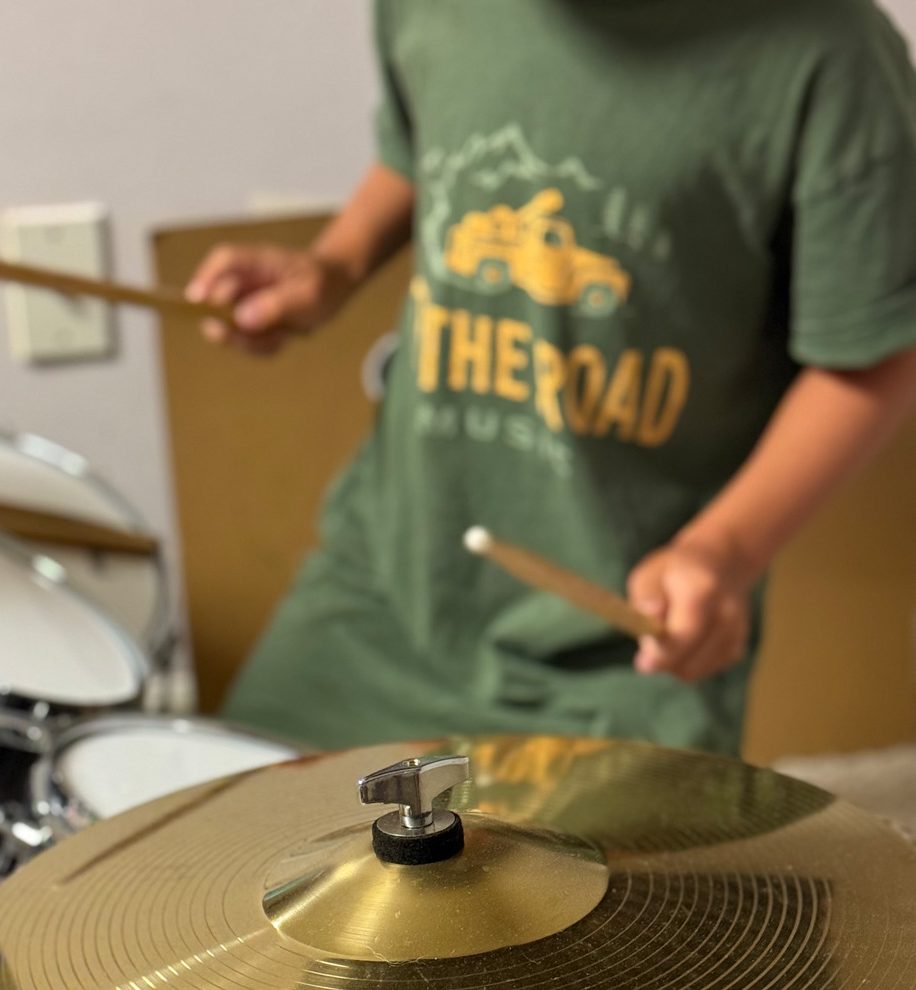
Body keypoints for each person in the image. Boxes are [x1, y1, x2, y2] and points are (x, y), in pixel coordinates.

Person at [187, 0, 916, 754]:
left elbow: (870, 351)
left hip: (620, 653)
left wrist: (724, 550)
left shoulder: (835, 56)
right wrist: (332, 266)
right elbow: (417, 148)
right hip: (379, 591)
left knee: (580, 876)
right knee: (220, 848)